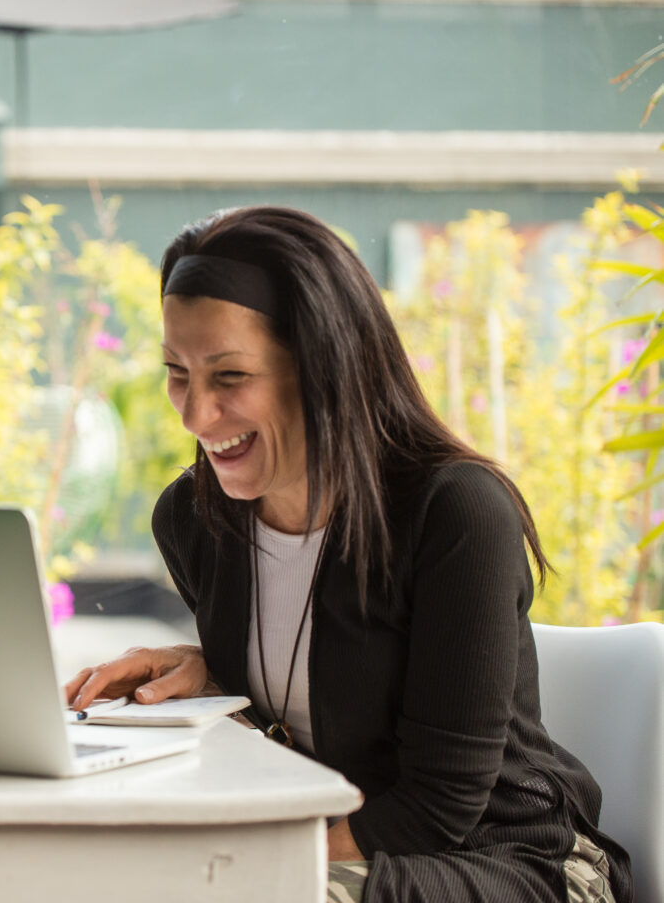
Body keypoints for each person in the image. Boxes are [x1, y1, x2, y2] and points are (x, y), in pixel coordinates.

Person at [64, 206, 632, 903]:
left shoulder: (455, 512)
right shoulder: (194, 519)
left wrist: (231, 854)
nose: (195, 415)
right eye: (177, 372)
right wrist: (211, 678)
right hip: (343, 853)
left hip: (510, 862)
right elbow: (316, 710)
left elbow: (439, 807)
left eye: (230, 376)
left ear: (324, 368)